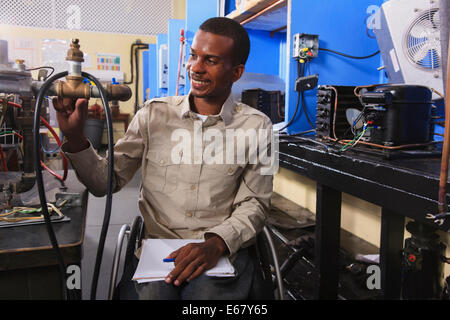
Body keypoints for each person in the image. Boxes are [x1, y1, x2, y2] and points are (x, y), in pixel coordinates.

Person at [53, 17, 274, 300]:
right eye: (194, 56)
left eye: (211, 60)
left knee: (205, 299)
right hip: (159, 250)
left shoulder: (259, 127)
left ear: (236, 72)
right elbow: (102, 183)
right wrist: (74, 137)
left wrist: (217, 243)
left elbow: (256, 202)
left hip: (221, 250)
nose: (195, 67)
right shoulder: (153, 115)